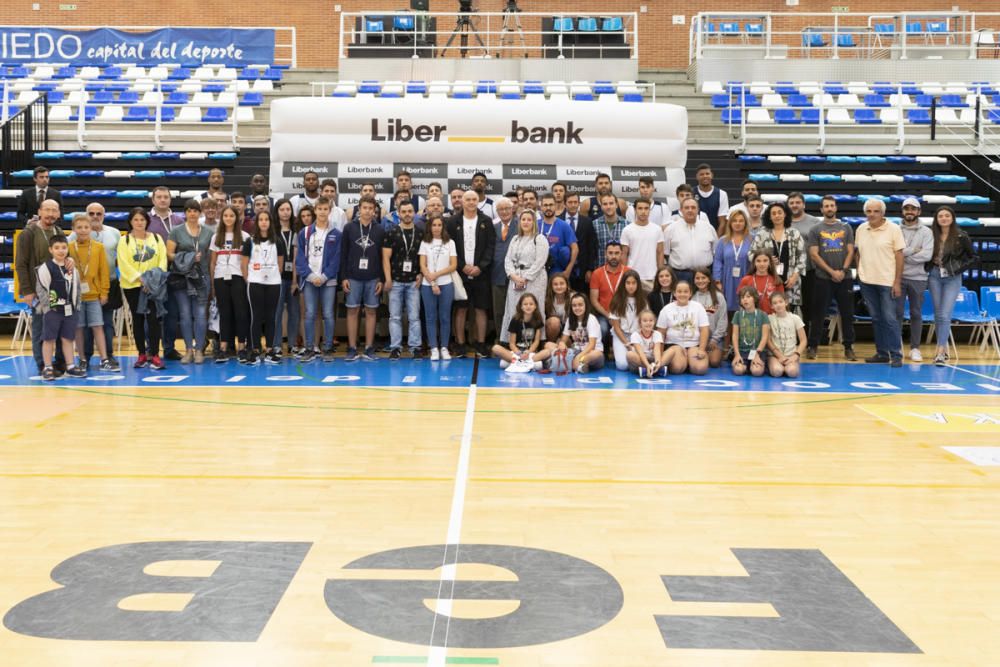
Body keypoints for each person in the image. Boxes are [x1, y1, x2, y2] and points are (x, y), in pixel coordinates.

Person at [15, 198, 66, 373]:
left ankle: (60, 362)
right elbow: (21, 264)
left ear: (59, 214)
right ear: (39, 212)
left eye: (54, 210)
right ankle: (43, 364)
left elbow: (64, 257)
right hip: (37, 291)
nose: (50, 214)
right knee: (40, 328)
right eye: (47, 210)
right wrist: (28, 291)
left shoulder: (59, 231)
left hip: (58, 290)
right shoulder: (28, 233)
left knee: (60, 328)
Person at [806, 196, 857, 361]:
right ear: (821, 209)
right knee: (818, 314)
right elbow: (814, 254)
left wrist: (842, 270)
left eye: (832, 205)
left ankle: (849, 347)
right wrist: (831, 272)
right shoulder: (815, 229)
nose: (829, 208)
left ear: (836, 208)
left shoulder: (846, 227)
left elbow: (851, 251)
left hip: (845, 278)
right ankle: (813, 346)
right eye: (826, 206)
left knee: (847, 314)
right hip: (823, 278)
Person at [68, 202, 119, 367]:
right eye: (92, 213)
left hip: (102, 289)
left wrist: (104, 291)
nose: (95, 216)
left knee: (104, 324)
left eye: (99, 214)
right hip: (77, 293)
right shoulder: (69, 244)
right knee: (81, 328)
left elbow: (107, 268)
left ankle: (107, 357)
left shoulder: (111, 236)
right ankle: (84, 358)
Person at [855, 198, 905, 367]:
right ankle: (882, 353)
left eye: (876, 211)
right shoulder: (861, 229)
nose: (872, 214)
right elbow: (858, 253)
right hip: (867, 282)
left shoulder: (894, 229)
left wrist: (897, 282)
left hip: (887, 282)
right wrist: (860, 272)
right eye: (869, 211)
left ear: (883, 213)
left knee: (890, 319)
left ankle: (896, 354)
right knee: (876, 318)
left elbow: (899, 256)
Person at [448, 190, 496, 358]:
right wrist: (462, 266)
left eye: (473, 199)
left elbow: (491, 247)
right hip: (460, 273)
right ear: (462, 201)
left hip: (481, 274)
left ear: (478, 201)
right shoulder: (453, 221)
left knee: (481, 309)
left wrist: (480, 267)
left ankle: (481, 343)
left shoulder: (486, 221)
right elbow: (450, 246)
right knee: (460, 309)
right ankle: (460, 344)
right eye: (467, 199)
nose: (470, 202)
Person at [927, 205, 977, 366]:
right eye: (940, 216)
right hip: (934, 275)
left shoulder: (961, 236)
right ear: (936, 219)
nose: (944, 218)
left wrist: (958, 269)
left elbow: (973, 257)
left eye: (947, 215)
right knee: (938, 313)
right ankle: (944, 346)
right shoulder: (931, 234)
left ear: (952, 218)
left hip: (952, 277)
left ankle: (941, 351)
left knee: (944, 314)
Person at [295, 196, 342, 363]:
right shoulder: (305, 232)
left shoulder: (336, 234)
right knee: (309, 313)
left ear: (330, 211)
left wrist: (323, 276)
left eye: (325, 209)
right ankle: (309, 348)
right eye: (319, 209)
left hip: (327, 281)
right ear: (315, 210)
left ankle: (327, 348)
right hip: (309, 280)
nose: (322, 212)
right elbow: (299, 257)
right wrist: (309, 275)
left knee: (328, 314)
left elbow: (337, 259)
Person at [166, 199, 213, 364]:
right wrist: (188, 257)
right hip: (182, 277)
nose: (192, 213)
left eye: (195, 210)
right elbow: (169, 254)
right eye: (189, 210)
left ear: (200, 213)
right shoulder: (176, 231)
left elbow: (212, 256)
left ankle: (199, 349)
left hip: (202, 277)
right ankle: (188, 350)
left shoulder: (208, 232)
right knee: (185, 315)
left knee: (200, 315)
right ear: (185, 213)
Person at [35, 236, 86, 381]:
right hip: (53, 311)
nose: (61, 251)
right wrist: (49, 308)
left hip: (70, 310)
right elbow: (43, 290)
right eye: (57, 248)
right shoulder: (46, 267)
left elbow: (76, 287)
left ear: (67, 249)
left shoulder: (71, 267)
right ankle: (48, 367)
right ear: (50, 250)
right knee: (49, 339)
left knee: (68, 338)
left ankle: (70, 366)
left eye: (63, 247)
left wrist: (77, 305)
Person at [341, 196, 385, 361]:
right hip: (353, 277)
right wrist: (343, 277)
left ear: (374, 211)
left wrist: (381, 278)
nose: (367, 211)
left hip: (373, 277)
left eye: (370, 208)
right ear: (359, 209)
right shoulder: (349, 228)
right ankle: (352, 347)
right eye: (364, 207)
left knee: (371, 311)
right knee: (352, 310)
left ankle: (369, 347)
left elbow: (382, 257)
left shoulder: (380, 229)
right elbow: (343, 254)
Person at [382, 199, 424, 359]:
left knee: (414, 316)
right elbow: (385, 258)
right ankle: (395, 347)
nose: (407, 214)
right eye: (404, 211)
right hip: (395, 281)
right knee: (395, 316)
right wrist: (388, 279)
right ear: (398, 213)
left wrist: (421, 273)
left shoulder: (420, 232)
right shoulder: (391, 232)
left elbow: (423, 256)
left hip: (414, 281)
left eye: (410, 211)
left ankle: (415, 347)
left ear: (414, 213)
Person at [242, 210, 284, 364]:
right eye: (261, 219)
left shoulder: (277, 241)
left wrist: (271, 274)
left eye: (267, 219)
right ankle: (255, 350)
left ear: (271, 222)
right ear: (257, 222)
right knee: (256, 316)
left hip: (273, 283)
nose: (264, 222)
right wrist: (249, 278)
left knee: (271, 317)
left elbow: (280, 263)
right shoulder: (250, 241)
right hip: (255, 283)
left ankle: (270, 350)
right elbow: (244, 263)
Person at [209, 205, 249, 362]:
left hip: (238, 277)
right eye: (225, 215)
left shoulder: (245, 236)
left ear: (236, 217)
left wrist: (246, 278)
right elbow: (212, 262)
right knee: (224, 313)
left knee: (240, 313)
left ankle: (242, 347)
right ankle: (223, 347)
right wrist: (213, 283)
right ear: (222, 217)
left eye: (231, 215)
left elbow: (247, 260)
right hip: (220, 278)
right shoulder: (216, 237)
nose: (228, 218)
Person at [897, 197, 934, 362]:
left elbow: (927, 255)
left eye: (913, 209)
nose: (909, 212)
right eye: (907, 209)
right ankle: (896, 346)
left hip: (918, 278)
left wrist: (904, 254)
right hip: (897, 277)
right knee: (896, 313)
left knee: (916, 313)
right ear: (902, 211)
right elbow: (892, 253)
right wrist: (913, 250)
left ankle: (915, 348)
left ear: (918, 212)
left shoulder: (927, 232)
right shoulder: (894, 229)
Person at [501, 209, 550, 336]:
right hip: (515, 277)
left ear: (534, 222)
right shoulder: (515, 239)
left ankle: (536, 341)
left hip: (534, 279)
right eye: (523, 219)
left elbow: (540, 261)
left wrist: (526, 278)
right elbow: (508, 259)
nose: (526, 222)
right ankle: (512, 340)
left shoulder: (540, 239)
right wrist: (513, 275)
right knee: (514, 308)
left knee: (533, 308)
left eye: (529, 220)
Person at [750, 201, 805, 309]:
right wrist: (765, 259)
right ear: (769, 217)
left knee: (787, 315)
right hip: (768, 280)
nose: (777, 215)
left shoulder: (795, 233)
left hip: (790, 281)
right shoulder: (762, 233)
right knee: (768, 313)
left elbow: (802, 257)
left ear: (785, 214)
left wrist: (795, 277)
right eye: (773, 213)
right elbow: (751, 254)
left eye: (780, 212)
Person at [419, 215, 458, 361]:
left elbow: (453, 265)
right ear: (430, 227)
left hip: (446, 284)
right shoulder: (425, 243)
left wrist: (437, 274)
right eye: (434, 225)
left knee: (445, 317)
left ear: (443, 227)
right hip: (427, 285)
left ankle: (444, 347)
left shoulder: (450, 243)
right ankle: (433, 348)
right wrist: (431, 279)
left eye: (439, 225)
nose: (436, 228)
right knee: (430, 317)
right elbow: (422, 264)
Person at [655, 280, 710, 375]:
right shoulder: (666, 309)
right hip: (674, 345)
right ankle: (683, 361)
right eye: (679, 291)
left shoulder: (698, 307)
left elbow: (704, 330)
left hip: (694, 345)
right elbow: (660, 333)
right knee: (677, 368)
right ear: (674, 293)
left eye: (685, 291)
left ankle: (689, 360)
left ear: (690, 293)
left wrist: (701, 349)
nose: (682, 294)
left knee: (700, 369)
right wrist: (660, 355)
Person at [491, 292, 552, 370]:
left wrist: (528, 352)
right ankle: (523, 363)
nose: (528, 306)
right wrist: (519, 354)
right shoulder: (515, 320)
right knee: (495, 348)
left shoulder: (537, 320)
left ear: (535, 306)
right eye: (525, 304)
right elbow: (512, 344)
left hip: (530, 354)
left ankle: (516, 363)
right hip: (516, 353)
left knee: (547, 351)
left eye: (531, 304)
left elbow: (536, 341)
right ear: (521, 307)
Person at [664, 197, 718, 284]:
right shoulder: (671, 229)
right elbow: (665, 253)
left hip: (704, 275)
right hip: (679, 275)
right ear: (681, 210)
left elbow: (715, 252)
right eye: (686, 208)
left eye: (693, 207)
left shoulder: (708, 228)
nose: (690, 210)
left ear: (698, 210)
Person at [272, 198, 300, 355]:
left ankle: (292, 344)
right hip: (276, 278)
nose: (285, 212)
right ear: (277, 212)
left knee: (294, 311)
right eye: (282, 209)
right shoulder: (272, 232)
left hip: (294, 278)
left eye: (288, 209)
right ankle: (276, 344)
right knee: (276, 312)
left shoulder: (297, 231)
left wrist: (296, 280)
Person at [712, 208, 751, 317]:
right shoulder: (723, 240)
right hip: (727, 279)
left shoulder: (752, 239)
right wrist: (717, 281)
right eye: (734, 221)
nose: (737, 223)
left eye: (741, 221)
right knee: (727, 312)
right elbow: (718, 261)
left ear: (745, 222)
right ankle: (729, 333)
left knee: (746, 308)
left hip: (746, 278)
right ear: (730, 223)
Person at [589, 241, 631, 341]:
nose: (613, 256)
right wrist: (609, 316)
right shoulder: (597, 273)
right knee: (602, 329)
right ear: (605, 254)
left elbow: (633, 296)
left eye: (616, 253)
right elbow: (594, 301)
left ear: (621, 254)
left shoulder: (629, 272)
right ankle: (603, 353)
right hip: (604, 314)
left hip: (625, 314)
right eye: (610, 253)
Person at [620, 198, 664, 291]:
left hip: (652, 276)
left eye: (646, 208)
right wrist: (625, 274)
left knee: (652, 305)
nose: (643, 211)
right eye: (640, 208)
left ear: (649, 210)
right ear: (635, 210)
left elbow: (660, 252)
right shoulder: (627, 230)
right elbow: (624, 254)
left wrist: (660, 274)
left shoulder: (657, 229)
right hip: (633, 276)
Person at [608, 269, 647, 371]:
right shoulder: (617, 301)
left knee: (640, 357)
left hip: (637, 336)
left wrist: (636, 341)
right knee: (622, 366)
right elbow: (616, 327)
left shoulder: (643, 300)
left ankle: (642, 365)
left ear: (638, 284)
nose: (631, 286)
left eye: (634, 283)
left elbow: (645, 322)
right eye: (628, 283)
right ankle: (639, 366)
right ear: (623, 284)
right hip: (621, 335)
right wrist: (627, 344)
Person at [557, 292, 605, 374]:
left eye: (580, 305)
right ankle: (579, 366)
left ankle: (576, 364)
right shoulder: (570, 319)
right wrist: (561, 344)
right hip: (576, 351)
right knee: (550, 345)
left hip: (590, 353)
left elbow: (592, 345)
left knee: (597, 354)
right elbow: (563, 340)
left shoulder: (591, 319)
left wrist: (579, 357)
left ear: (586, 305)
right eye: (574, 305)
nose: (577, 308)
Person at [491, 196, 516, 341]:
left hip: (517, 275)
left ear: (512, 209)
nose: (504, 211)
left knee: (516, 309)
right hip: (497, 274)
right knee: (499, 310)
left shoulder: (520, 225)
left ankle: (516, 340)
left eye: (507, 208)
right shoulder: (493, 227)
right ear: (497, 211)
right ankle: (501, 339)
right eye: (501, 209)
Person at [561, 191, 597, 293]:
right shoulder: (558, 220)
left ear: (579, 203)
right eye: (570, 202)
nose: (573, 205)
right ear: (564, 204)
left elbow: (592, 246)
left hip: (582, 271)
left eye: (575, 202)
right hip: (562, 269)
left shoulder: (587, 222)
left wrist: (590, 269)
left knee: (581, 300)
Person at [538, 192, 578, 280]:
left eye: (551, 205)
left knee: (565, 251)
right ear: (541, 207)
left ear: (555, 206)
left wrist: (568, 270)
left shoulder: (564, 225)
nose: (548, 208)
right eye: (545, 205)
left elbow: (575, 248)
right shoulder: (535, 225)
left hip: (557, 269)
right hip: (538, 268)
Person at [692, 267, 728, 367]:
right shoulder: (692, 297)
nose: (700, 281)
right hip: (697, 339)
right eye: (697, 278)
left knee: (714, 362)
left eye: (703, 278)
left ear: (709, 279)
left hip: (714, 338)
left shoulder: (718, 296)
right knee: (700, 361)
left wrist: (714, 340)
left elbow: (723, 320)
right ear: (694, 280)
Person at [731, 286, 769, 377]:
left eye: (748, 296)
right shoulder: (737, 315)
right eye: (742, 297)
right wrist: (736, 354)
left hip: (758, 351)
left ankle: (753, 365)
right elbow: (735, 335)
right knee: (738, 370)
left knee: (757, 372)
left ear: (755, 298)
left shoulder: (763, 315)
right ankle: (745, 365)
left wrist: (757, 354)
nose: (745, 299)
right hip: (742, 351)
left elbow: (765, 337)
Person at [767, 292, 806, 378]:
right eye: (775, 303)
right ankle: (773, 364)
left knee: (792, 372)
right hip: (775, 355)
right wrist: (779, 356)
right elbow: (768, 341)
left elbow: (803, 340)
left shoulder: (795, 318)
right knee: (777, 371)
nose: (778, 305)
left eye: (780, 302)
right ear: (771, 306)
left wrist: (796, 355)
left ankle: (789, 366)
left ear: (786, 302)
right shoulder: (769, 319)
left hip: (791, 355)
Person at [738, 249, 784, 315]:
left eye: (765, 261)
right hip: (751, 316)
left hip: (771, 317)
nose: (762, 264)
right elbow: (741, 301)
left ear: (770, 262)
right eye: (758, 261)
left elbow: (781, 301)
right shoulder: (746, 280)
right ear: (754, 263)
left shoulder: (776, 280)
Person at [627, 309, 666, 377]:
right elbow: (640, 353)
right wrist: (647, 365)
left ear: (654, 322)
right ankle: (651, 369)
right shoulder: (635, 335)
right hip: (641, 359)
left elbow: (657, 350)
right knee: (630, 354)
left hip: (652, 358)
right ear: (640, 323)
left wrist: (658, 362)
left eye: (651, 320)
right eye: (645, 321)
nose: (648, 323)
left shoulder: (657, 334)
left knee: (671, 351)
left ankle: (654, 368)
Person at [592, 193, 627, 266]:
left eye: (611, 203)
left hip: (622, 272)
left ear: (616, 205)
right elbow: (591, 251)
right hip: (600, 271)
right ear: (601, 206)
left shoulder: (627, 225)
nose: (608, 207)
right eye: (605, 204)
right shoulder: (593, 225)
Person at [694, 163, 729, 231]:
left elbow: (722, 222)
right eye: (701, 174)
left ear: (712, 175)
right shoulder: (691, 193)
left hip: (715, 234)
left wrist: (716, 240)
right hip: (695, 234)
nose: (705, 176)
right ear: (697, 177)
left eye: (707, 173)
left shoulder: (722, 194)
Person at [544, 273, 572, 343]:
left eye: (562, 284)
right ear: (551, 286)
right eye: (555, 284)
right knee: (554, 321)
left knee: (566, 343)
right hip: (552, 329)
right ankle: (550, 343)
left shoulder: (573, 297)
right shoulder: (547, 299)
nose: (559, 287)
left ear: (567, 285)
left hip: (568, 328)